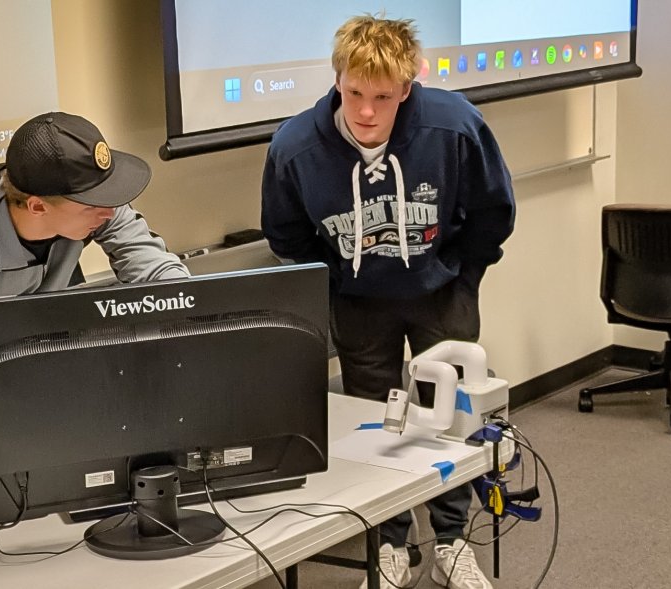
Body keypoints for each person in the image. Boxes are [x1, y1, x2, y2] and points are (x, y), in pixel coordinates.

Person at [261, 15, 515, 589]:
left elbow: (493, 211)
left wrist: (462, 276)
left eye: (382, 96)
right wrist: (336, 285)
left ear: (408, 87)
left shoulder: (454, 126)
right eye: (354, 93)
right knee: (377, 422)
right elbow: (287, 235)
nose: (366, 112)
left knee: (449, 416)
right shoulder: (296, 146)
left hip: (441, 294)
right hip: (358, 303)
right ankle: (391, 542)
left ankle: (452, 539)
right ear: (337, 80)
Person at [0, 112, 190, 504]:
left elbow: (159, 279)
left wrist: (193, 323)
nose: (110, 211)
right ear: (38, 207)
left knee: (59, 467)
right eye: (96, 203)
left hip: (37, 319)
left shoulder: (94, 203)